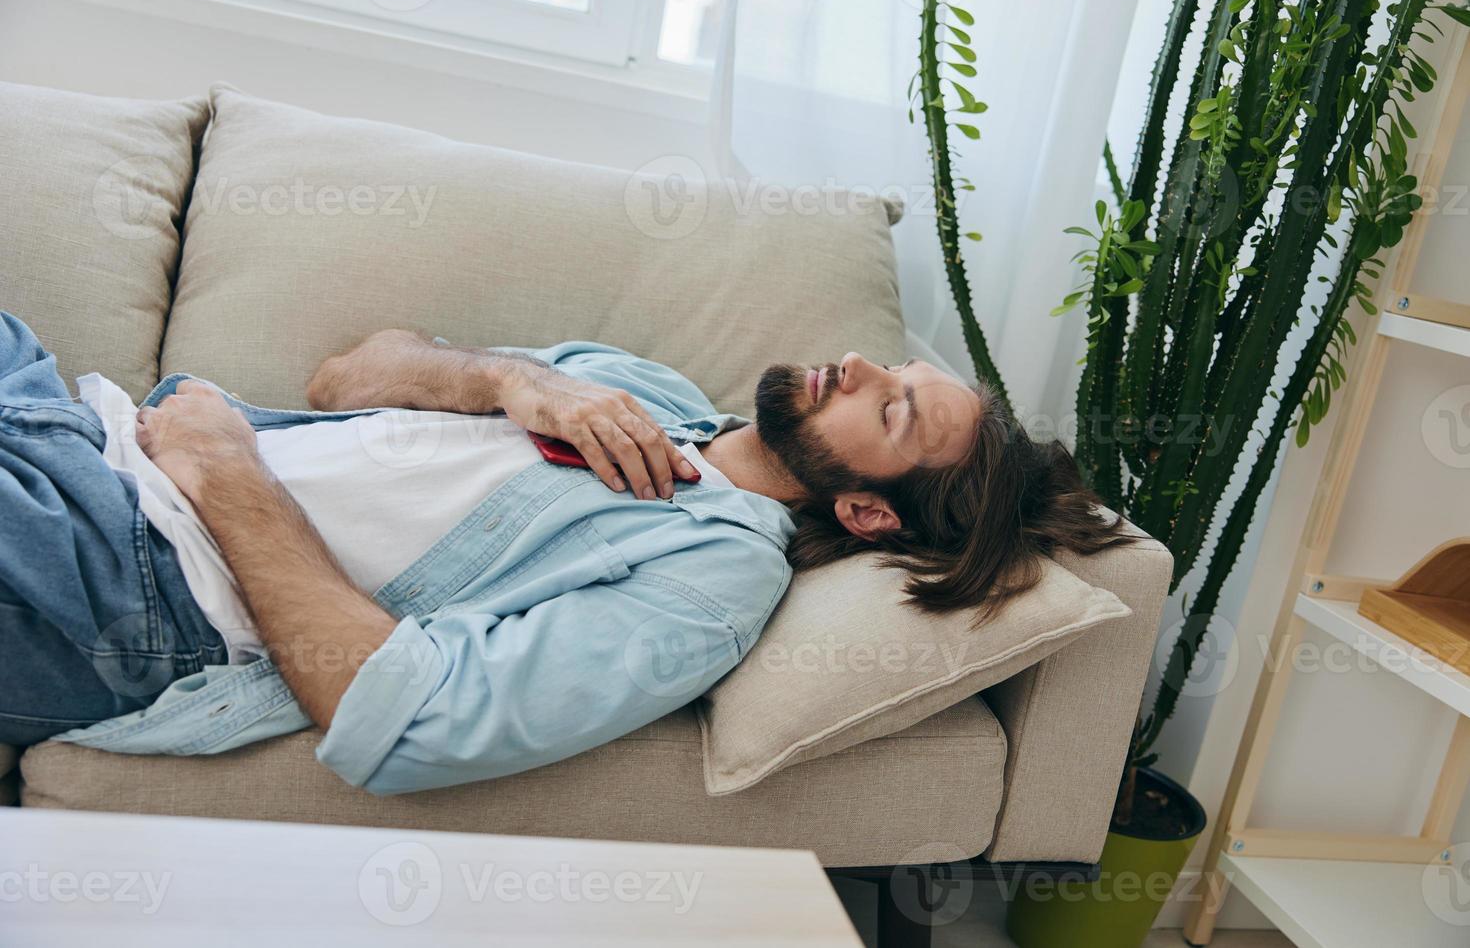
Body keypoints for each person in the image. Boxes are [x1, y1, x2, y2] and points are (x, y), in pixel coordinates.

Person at [0, 313, 1131, 793]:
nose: (860, 367)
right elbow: (343, 376)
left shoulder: (717, 578)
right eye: (897, 369)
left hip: (133, 573)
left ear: (873, 518)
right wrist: (506, 377)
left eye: (891, 413)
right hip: (83, 432)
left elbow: (404, 720)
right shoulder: (642, 391)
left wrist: (224, 469)